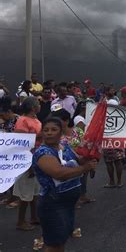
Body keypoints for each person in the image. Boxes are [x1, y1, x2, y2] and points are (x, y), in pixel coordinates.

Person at [33, 116, 97, 252]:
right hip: (53, 205)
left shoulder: (65, 146)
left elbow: (79, 160)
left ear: (61, 132)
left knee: (60, 240)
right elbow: (59, 173)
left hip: (67, 203)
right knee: (54, 244)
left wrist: (90, 156)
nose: (49, 132)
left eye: (53, 129)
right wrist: (84, 168)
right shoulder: (43, 152)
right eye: (46, 130)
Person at [13, 97, 42, 231]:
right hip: (26, 161)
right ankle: (20, 221)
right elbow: (21, 145)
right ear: (32, 107)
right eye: (38, 103)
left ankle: (34, 217)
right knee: (25, 194)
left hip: (36, 159)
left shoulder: (36, 120)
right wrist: (28, 164)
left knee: (35, 191)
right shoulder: (22, 121)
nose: (40, 105)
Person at [103, 86, 124, 188]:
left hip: (107, 136)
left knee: (109, 161)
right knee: (118, 160)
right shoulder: (117, 105)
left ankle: (112, 181)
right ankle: (119, 181)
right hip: (118, 135)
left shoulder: (105, 106)